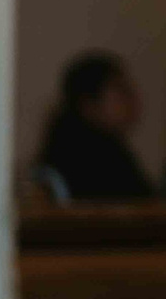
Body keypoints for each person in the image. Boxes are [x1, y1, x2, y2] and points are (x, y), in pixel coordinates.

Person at [33, 51, 155, 201]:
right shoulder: (85, 156)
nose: (134, 100)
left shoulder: (111, 147)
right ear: (89, 105)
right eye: (122, 92)